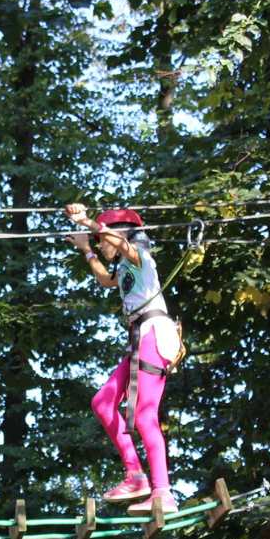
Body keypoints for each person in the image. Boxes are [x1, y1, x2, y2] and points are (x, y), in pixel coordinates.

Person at [65, 203, 182, 514]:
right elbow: (106, 280)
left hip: (154, 334)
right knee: (102, 402)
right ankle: (135, 475)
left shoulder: (140, 258)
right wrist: (87, 248)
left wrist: (88, 221)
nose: (103, 244)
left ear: (118, 235)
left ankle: (163, 492)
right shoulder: (124, 269)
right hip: (138, 339)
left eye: (104, 239)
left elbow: (122, 244)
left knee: (145, 416)